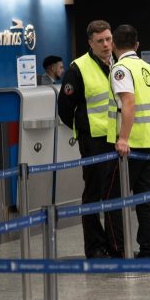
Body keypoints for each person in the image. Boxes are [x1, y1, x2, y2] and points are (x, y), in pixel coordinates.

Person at [57, 21, 121, 258]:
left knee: (113, 193)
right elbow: (65, 108)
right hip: (93, 140)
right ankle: (95, 246)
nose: (106, 44)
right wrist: (81, 129)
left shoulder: (117, 64)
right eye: (100, 41)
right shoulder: (78, 69)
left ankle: (115, 245)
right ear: (90, 43)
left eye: (108, 39)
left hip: (115, 137)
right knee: (94, 193)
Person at [107, 24, 150, 258]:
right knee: (145, 199)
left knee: (115, 198)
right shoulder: (148, 68)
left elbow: (129, 102)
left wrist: (123, 138)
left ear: (114, 45)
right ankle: (148, 248)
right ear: (137, 45)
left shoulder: (120, 69)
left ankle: (120, 251)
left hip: (130, 146)